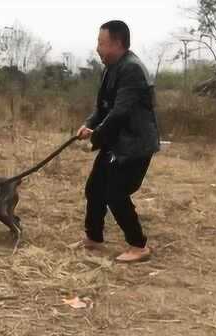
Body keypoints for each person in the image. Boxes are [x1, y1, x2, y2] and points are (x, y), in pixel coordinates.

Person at [75, 20, 160, 262]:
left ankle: (139, 246)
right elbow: (103, 108)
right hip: (117, 142)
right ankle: (94, 238)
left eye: (102, 43)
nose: (97, 48)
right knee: (95, 189)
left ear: (117, 44)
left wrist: (97, 136)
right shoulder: (110, 68)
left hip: (135, 145)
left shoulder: (131, 69)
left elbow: (120, 112)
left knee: (116, 193)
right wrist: (89, 124)